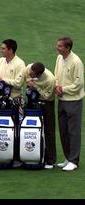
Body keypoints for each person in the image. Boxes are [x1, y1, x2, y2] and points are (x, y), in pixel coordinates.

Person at [54, 36, 84, 171]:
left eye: (60, 46)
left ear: (68, 48)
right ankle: (68, 157)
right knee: (63, 131)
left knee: (73, 131)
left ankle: (74, 160)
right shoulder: (59, 58)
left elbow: (78, 84)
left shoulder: (76, 62)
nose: (57, 47)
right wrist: (56, 87)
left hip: (73, 101)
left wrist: (63, 89)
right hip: (61, 99)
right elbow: (56, 75)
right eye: (58, 45)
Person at [0, 39, 26, 168]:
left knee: (15, 129)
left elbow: (18, 83)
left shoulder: (20, 63)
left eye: (3, 48)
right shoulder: (0, 61)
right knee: (0, 129)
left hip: (14, 100)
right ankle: (0, 155)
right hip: (0, 100)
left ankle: (16, 158)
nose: (1, 50)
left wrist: (3, 80)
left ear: (11, 50)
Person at [24, 62, 56, 169]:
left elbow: (47, 96)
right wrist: (29, 82)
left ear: (38, 75)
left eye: (32, 74)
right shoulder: (29, 68)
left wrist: (36, 87)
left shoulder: (50, 80)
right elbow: (26, 77)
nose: (30, 74)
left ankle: (50, 160)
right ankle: (29, 155)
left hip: (47, 103)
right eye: (30, 72)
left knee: (48, 130)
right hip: (33, 99)